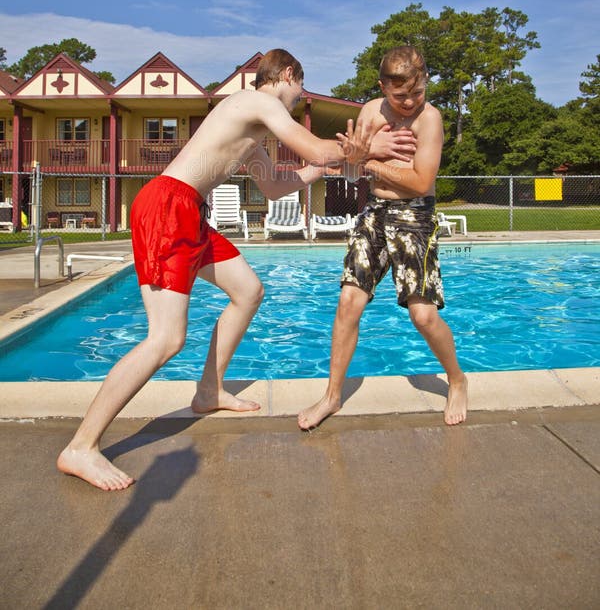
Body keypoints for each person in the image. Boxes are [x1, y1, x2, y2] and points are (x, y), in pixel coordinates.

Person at [57, 48, 414, 491]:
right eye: (299, 87)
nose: (299, 95)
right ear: (287, 74)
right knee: (166, 338)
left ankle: (209, 392)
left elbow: (274, 185)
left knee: (248, 291)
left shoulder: (253, 128)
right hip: (169, 206)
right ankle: (81, 447)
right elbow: (315, 144)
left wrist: (320, 169)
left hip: (189, 212)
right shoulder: (257, 101)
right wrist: (366, 147)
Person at [298, 45, 468, 431]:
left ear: (425, 82)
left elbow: (422, 181)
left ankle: (457, 379)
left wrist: (368, 160)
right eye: (399, 95)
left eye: (417, 91)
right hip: (374, 211)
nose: (409, 102)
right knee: (348, 301)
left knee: (422, 316)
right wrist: (358, 162)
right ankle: (332, 396)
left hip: (415, 214)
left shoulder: (431, 120)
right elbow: (352, 178)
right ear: (382, 87)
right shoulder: (370, 113)